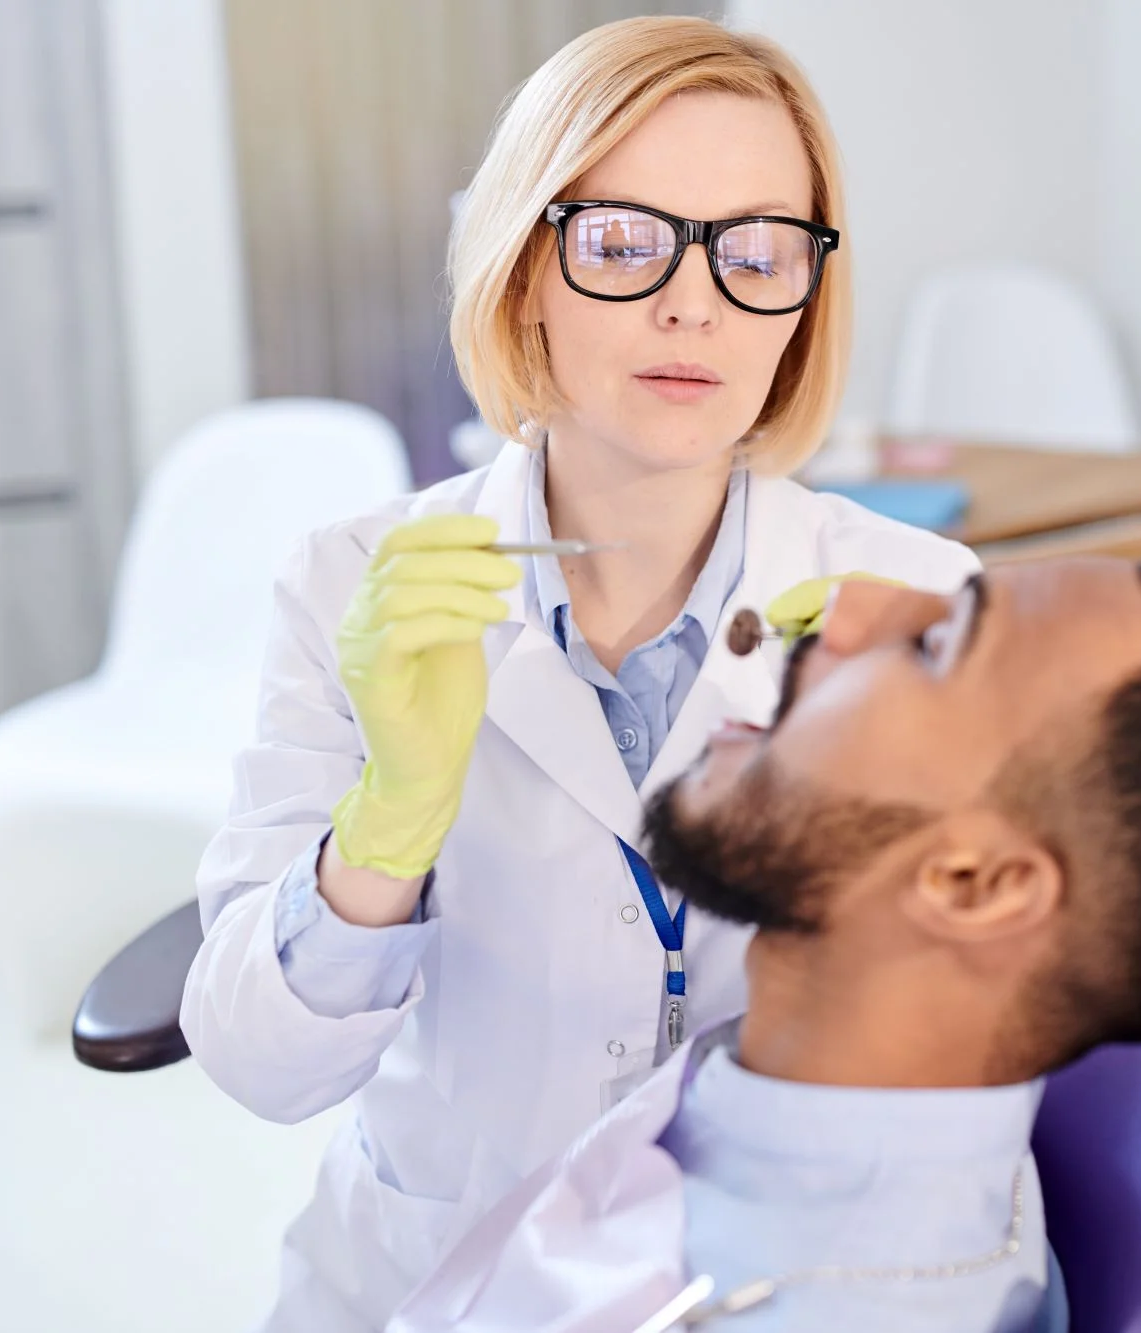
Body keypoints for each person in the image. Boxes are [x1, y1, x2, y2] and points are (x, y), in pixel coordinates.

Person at [178, 18, 976, 1332]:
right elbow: (262, 1067)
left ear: (805, 296)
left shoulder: (923, 607)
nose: (693, 302)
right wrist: (388, 822)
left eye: (758, 250)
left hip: (780, 1288)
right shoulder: (356, 587)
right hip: (430, 1282)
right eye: (622, 241)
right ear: (524, 271)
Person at [388, 536, 1141, 1332]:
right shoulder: (839, 1117)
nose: (846, 609)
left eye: (936, 642)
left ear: (974, 883)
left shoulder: (755, 1302)